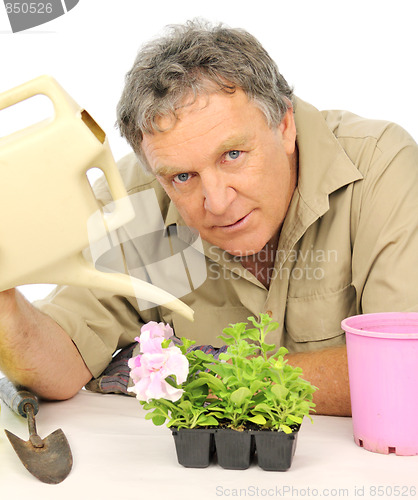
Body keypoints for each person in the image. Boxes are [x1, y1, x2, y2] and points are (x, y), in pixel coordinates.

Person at [1, 20, 417, 416]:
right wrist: (4, 303)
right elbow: (61, 365)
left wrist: (207, 378)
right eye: (183, 176)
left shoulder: (381, 166)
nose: (216, 202)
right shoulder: (131, 201)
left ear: (285, 125)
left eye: (233, 155)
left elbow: (404, 371)